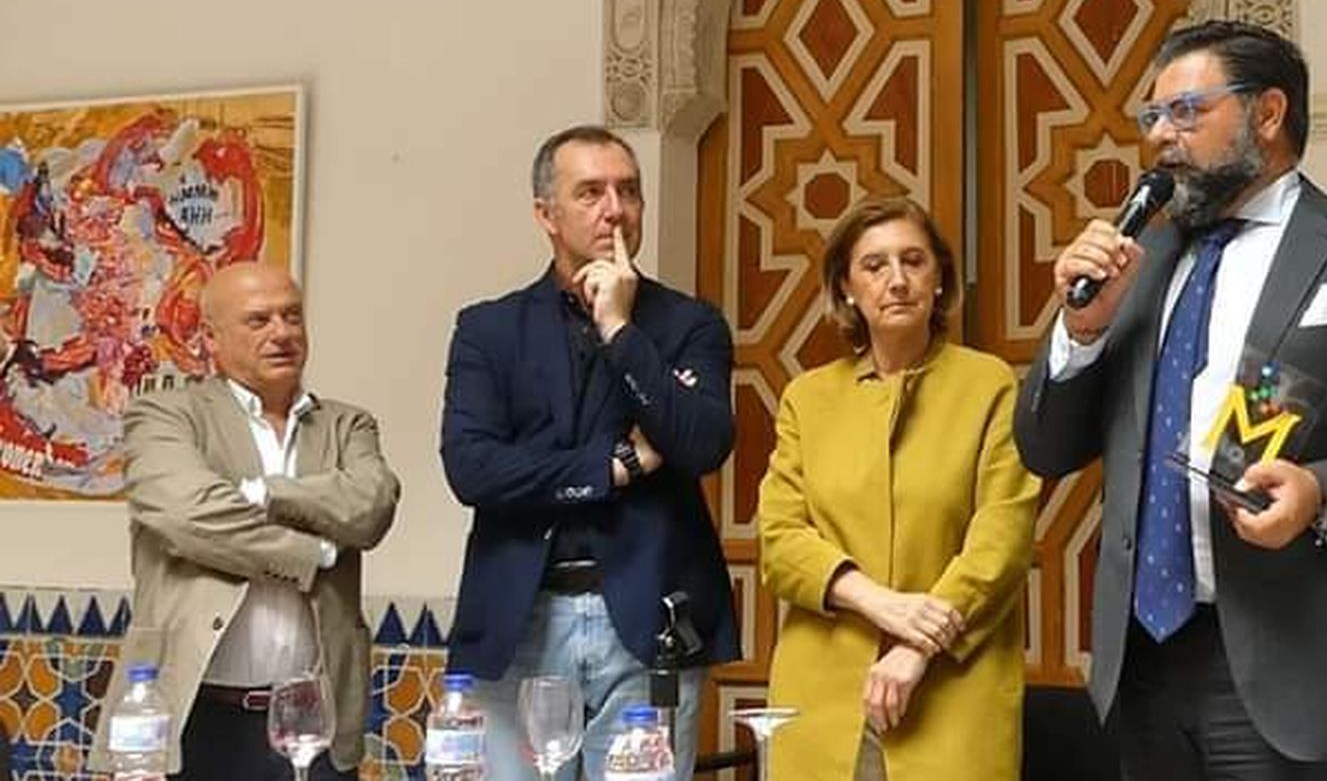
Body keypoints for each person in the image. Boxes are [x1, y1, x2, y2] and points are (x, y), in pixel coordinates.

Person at [1013, 20, 1327, 779]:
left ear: (1267, 114)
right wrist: (1078, 331)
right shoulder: (1141, 262)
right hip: (1144, 666)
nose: (1160, 138)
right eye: (1153, 117)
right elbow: (1045, 449)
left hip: (1295, 666)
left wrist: (1324, 491)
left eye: (1186, 112)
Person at [440, 124, 739, 779]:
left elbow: (702, 442)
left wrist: (618, 328)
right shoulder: (488, 330)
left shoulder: (689, 325)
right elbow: (473, 468)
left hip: (648, 619)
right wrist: (616, 466)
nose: (615, 209)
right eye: (591, 192)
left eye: (629, 191)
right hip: (519, 619)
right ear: (546, 214)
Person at [758, 197, 1040, 779]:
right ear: (847, 289)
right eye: (875, 265)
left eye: (914, 261)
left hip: (952, 689)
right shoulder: (807, 399)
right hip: (825, 695)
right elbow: (781, 541)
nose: (897, 280)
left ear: (939, 279)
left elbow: (1002, 538)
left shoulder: (989, 385)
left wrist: (917, 646)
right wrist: (879, 603)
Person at [87, 262, 401, 780]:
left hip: (311, 722)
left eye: (292, 317)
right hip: (192, 717)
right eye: (258, 321)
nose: (282, 332)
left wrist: (261, 494)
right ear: (210, 337)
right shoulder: (165, 416)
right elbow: (188, 515)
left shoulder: (348, 424)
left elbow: (370, 506)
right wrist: (315, 551)